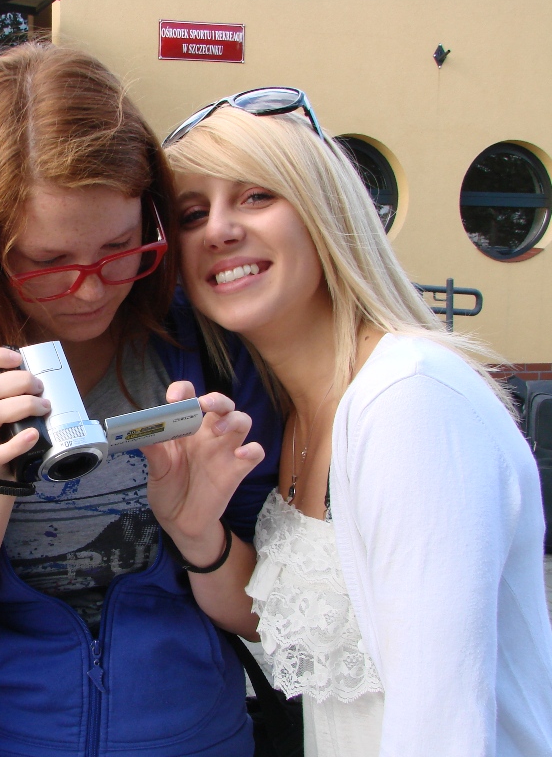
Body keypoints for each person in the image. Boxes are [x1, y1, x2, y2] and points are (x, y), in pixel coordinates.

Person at [0, 44, 282, 756]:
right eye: (47, 261)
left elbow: (274, 616)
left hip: (193, 735)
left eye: (121, 247)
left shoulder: (208, 345)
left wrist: (202, 533)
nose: (92, 290)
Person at [163, 87, 552, 756]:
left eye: (256, 195)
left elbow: (442, 727)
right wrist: (193, 527)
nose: (220, 230)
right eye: (192, 214)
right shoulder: (306, 413)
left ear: (326, 210)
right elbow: (295, 621)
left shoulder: (408, 399)